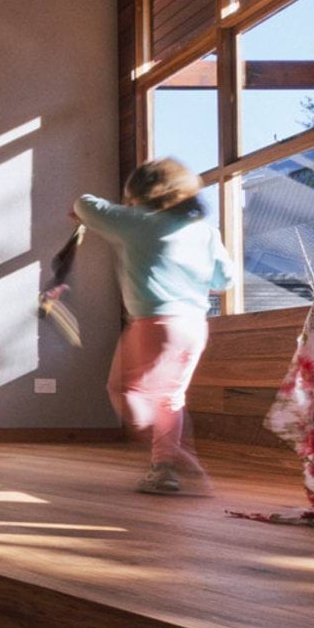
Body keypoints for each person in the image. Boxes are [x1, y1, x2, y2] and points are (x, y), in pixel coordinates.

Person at [74, 158, 233, 495]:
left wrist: (123, 212)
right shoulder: (204, 231)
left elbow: (85, 204)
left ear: (139, 193)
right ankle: (164, 470)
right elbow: (225, 280)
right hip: (194, 327)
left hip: (154, 323)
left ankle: (179, 460)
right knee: (170, 400)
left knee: (123, 389)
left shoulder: (137, 221)